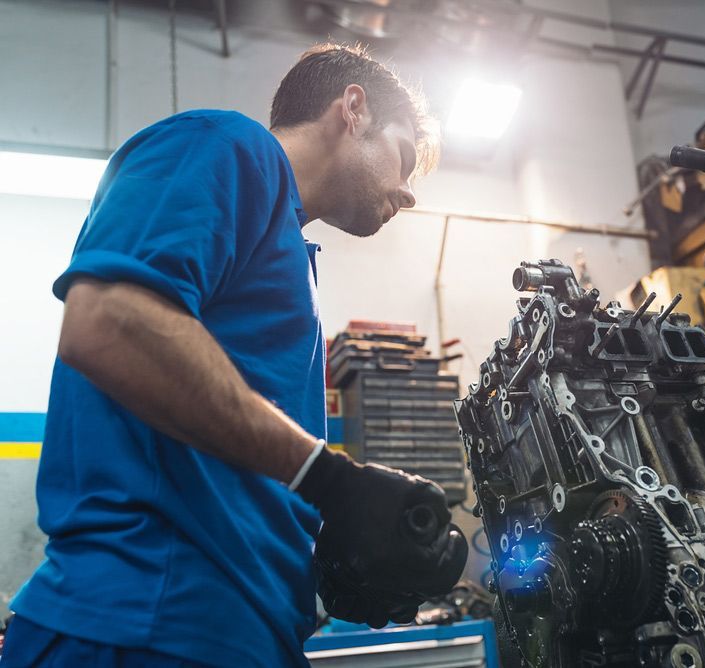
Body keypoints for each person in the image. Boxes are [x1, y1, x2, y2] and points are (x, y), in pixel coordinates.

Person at [0, 43, 467, 668]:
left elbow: (228, 469)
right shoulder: (225, 144)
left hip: (240, 629)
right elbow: (108, 322)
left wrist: (327, 556)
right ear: (352, 109)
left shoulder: (288, 252)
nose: (407, 194)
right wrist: (328, 480)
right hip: (149, 622)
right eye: (404, 158)